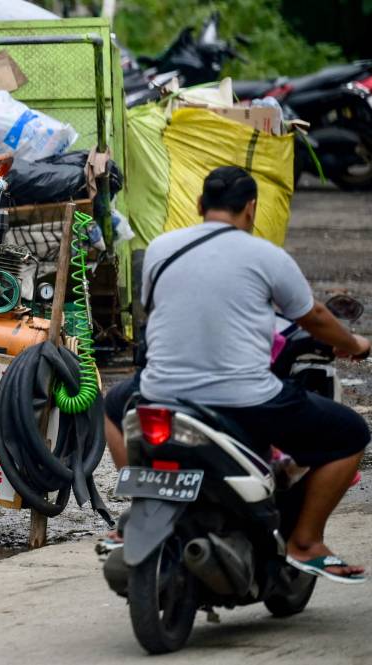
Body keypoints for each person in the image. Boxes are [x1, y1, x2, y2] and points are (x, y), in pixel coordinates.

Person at [103, 166, 369, 583]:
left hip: (160, 393)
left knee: (113, 407)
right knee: (351, 434)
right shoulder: (266, 255)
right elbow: (315, 316)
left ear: (199, 205)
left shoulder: (160, 248)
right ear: (251, 209)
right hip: (246, 401)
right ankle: (306, 541)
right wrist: (353, 344)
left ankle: (140, 505)